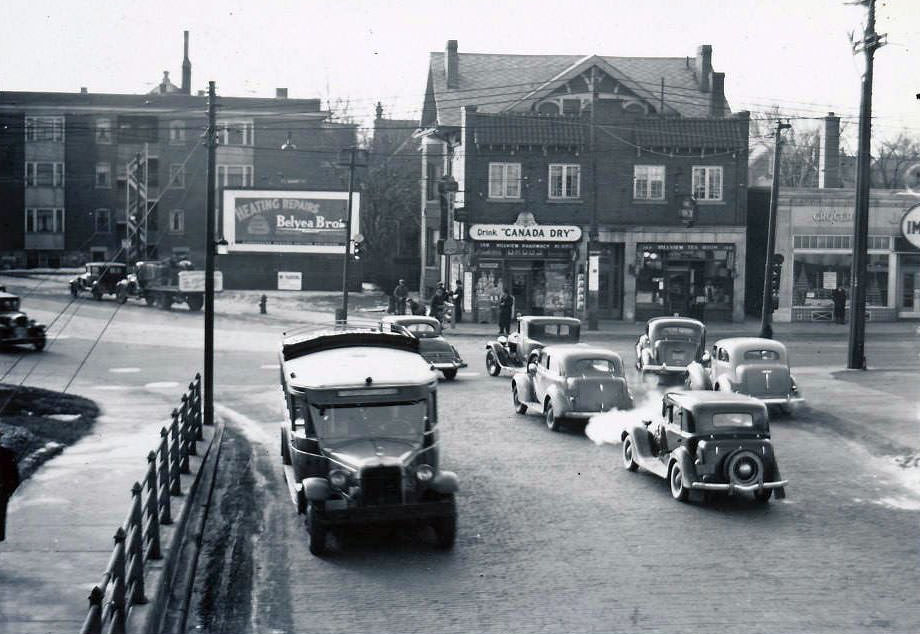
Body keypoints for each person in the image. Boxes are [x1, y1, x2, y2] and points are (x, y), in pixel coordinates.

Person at [0, 435, 19, 542]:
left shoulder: (6, 454)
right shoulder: (7, 454)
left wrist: (8, 490)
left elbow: (14, 476)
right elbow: (14, 477)